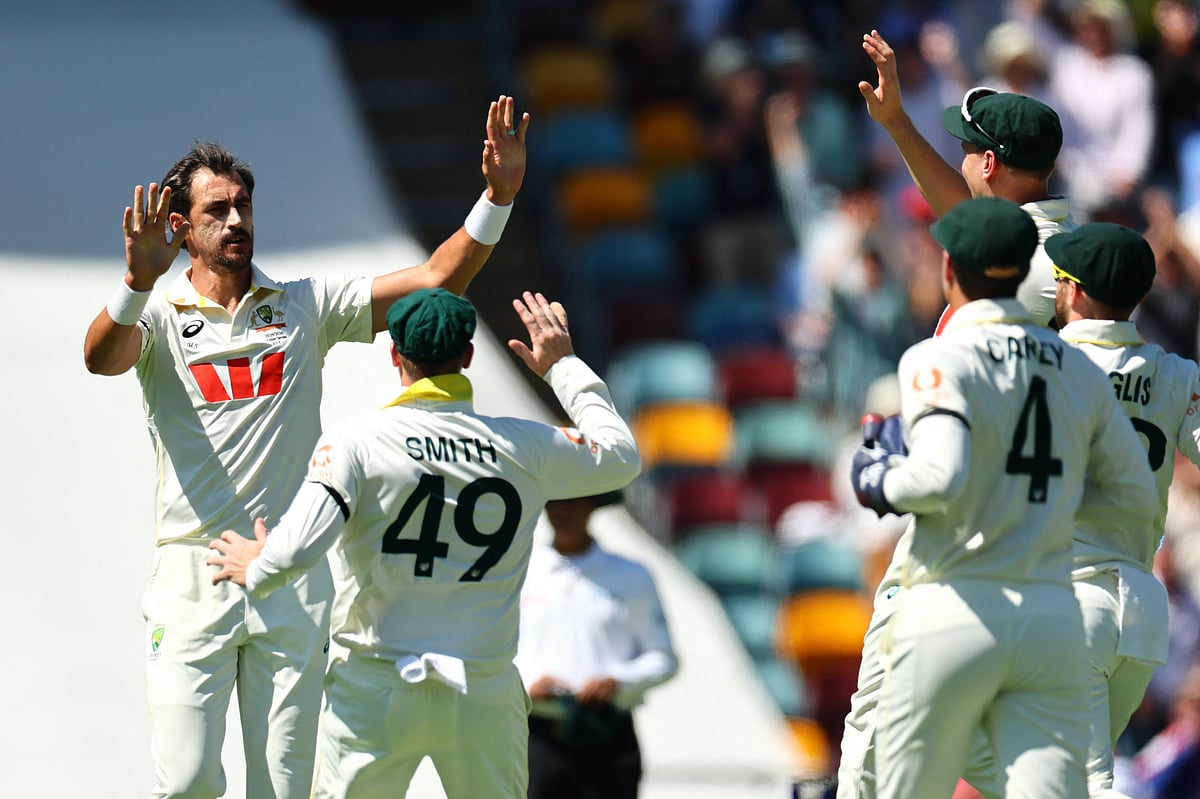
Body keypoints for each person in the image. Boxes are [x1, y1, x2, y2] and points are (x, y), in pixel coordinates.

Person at [81, 96, 531, 799]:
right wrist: (137, 281)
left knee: (284, 790)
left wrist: (497, 198)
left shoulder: (302, 303)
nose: (236, 220)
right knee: (189, 780)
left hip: (286, 575)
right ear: (179, 226)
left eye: (243, 206)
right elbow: (100, 358)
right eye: (216, 210)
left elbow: (437, 279)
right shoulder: (161, 318)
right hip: (188, 578)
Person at [206, 288, 641, 798]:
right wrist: (561, 365)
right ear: (469, 357)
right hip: (482, 688)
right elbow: (620, 456)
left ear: (396, 356)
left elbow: (296, 550)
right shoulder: (526, 445)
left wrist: (257, 563)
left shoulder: (357, 442)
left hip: (376, 685)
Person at [845, 197, 1159, 798]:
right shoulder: (1078, 368)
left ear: (947, 269)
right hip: (1051, 613)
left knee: (887, 767)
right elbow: (1137, 495)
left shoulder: (937, 356)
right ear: (1024, 272)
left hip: (960, 604)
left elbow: (938, 478)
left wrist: (876, 475)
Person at [838, 31, 1074, 795]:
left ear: (994, 166)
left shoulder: (1033, 271)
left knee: (876, 751)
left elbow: (973, 233)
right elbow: (973, 219)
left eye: (971, 148)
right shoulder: (1047, 247)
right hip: (1025, 548)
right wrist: (899, 126)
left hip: (964, 536)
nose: (966, 159)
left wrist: (884, 476)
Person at [1044, 222, 1198, 797]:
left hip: (1068, 604)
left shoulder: (1042, 363)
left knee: (1081, 785)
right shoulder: (1178, 375)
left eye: (1060, 279)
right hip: (1140, 614)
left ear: (1075, 292)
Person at [858, 28, 1071, 329]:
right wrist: (895, 120)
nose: (962, 162)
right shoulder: (1034, 234)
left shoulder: (1029, 266)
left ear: (987, 163)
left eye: (966, 150)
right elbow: (961, 208)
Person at [515, 491, 678, 799]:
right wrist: (525, 685)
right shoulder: (520, 571)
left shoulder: (632, 574)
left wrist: (617, 681)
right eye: (555, 501)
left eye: (572, 501)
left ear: (594, 505)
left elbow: (664, 657)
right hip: (538, 733)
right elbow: (496, 650)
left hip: (607, 734)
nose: (562, 510)